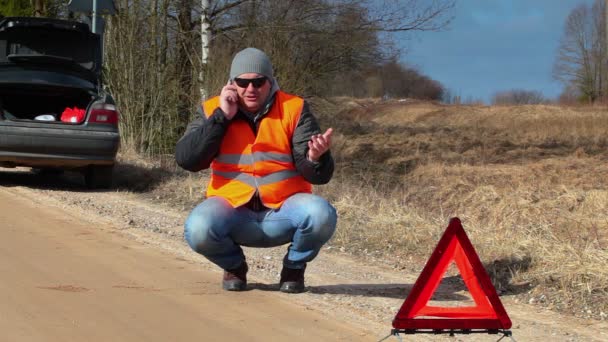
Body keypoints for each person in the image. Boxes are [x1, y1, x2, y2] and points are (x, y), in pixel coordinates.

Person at [175, 47, 337, 293]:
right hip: (232, 211)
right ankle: (234, 266)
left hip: (283, 211)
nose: (251, 89)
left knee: (321, 214)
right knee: (198, 228)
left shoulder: (294, 108)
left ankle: (294, 267)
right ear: (232, 84)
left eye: (259, 82)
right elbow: (188, 160)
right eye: (243, 82)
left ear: (270, 82)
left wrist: (316, 158)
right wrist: (222, 117)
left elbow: (318, 176)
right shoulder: (211, 110)